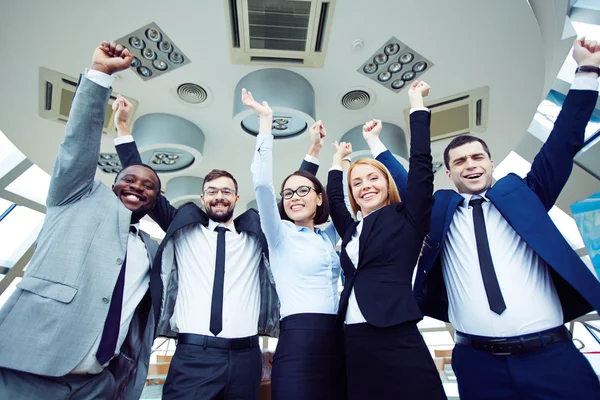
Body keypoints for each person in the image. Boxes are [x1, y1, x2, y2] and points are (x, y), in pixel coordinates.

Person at [376, 38, 600, 399]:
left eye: (477, 157)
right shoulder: (441, 216)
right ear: (449, 174)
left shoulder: (527, 196)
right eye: (460, 161)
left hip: (553, 357)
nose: (471, 165)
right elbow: (408, 184)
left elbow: (562, 141)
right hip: (478, 364)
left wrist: (587, 69)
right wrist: (380, 143)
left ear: (491, 163)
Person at [114, 101, 323, 400]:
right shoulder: (184, 228)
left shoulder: (256, 235)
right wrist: (123, 130)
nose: (219, 197)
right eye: (212, 192)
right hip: (193, 357)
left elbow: (293, 201)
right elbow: (146, 186)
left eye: (226, 191)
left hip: (247, 357)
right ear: (202, 198)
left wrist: (313, 152)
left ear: (236, 197)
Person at [0, 41, 163, 399]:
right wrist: (100, 76)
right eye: (129, 180)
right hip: (30, 367)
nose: (138, 187)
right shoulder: (77, 197)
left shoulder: (151, 249)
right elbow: (78, 145)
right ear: (111, 183)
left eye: (149, 186)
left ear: (154, 200)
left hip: (100, 382)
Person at [327, 81, 447, 399]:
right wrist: (338, 161)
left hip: (395, 332)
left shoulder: (408, 218)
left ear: (387, 182)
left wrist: (416, 103)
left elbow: (421, 166)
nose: (365, 186)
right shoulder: (351, 230)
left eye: (373, 178)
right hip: (351, 337)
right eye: (357, 183)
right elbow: (334, 201)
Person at [244, 88, 345, 400]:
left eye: (303, 192)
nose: (294, 198)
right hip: (298, 341)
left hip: (340, 338)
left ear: (319, 198)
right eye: (287, 194)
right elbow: (262, 183)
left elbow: (312, 186)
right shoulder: (279, 235)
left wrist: (316, 150)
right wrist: (265, 122)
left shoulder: (331, 235)